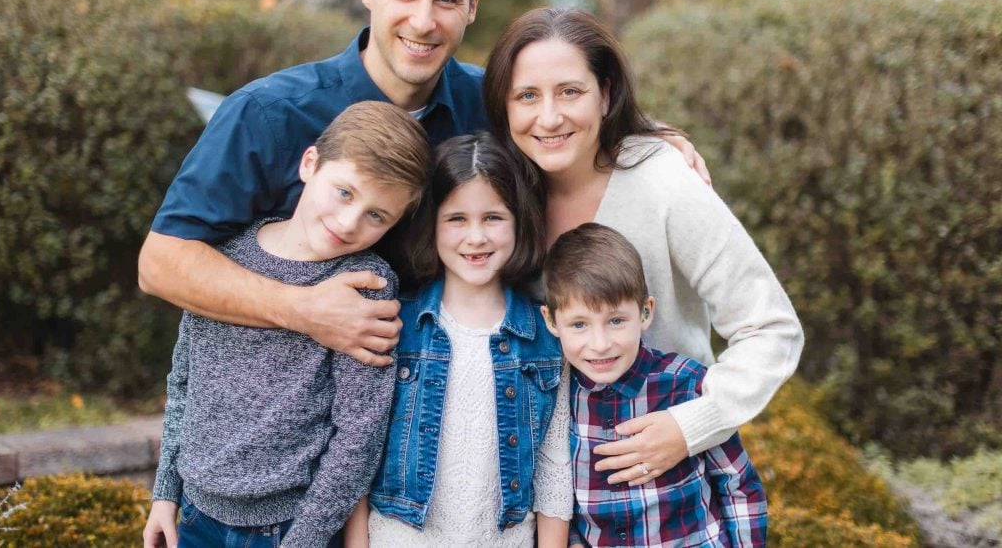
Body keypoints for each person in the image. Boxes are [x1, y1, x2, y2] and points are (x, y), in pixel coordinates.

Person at [138, 0, 709, 367]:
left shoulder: (493, 106)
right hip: (289, 425)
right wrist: (303, 309)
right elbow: (162, 262)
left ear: (472, 9)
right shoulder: (269, 113)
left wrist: (650, 138)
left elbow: (572, 120)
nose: (423, 20)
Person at [482, 6, 804, 484]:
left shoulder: (662, 182)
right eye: (527, 95)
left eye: (570, 91)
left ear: (605, 94)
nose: (548, 117)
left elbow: (771, 327)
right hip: (541, 487)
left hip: (664, 482)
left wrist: (689, 425)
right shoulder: (498, 196)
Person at [141, 102, 430, 548]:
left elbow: (358, 436)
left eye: (377, 216)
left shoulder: (367, 286)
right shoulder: (225, 260)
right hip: (196, 516)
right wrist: (166, 494)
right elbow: (184, 382)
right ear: (310, 164)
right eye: (345, 192)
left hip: (288, 528)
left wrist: (304, 539)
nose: (349, 222)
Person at [346, 133, 572, 547]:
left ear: (519, 221)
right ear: (431, 224)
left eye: (493, 218)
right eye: (457, 219)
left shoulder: (547, 337)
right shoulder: (393, 324)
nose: (476, 238)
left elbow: (554, 463)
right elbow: (359, 451)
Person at [542, 223, 767, 547]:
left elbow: (737, 483)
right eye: (579, 324)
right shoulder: (557, 400)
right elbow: (562, 501)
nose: (600, 343)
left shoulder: (686, 384)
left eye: (616, 320)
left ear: (645, 312)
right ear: (552, 321)